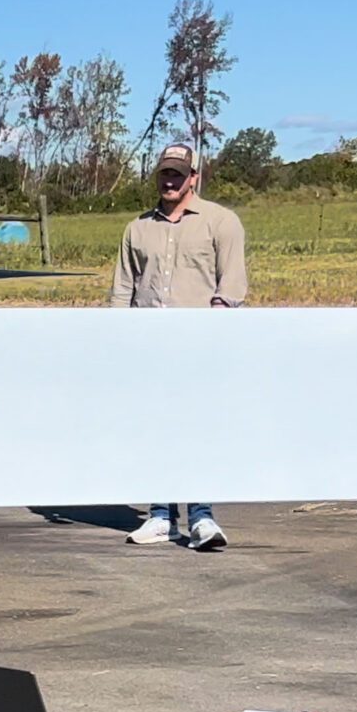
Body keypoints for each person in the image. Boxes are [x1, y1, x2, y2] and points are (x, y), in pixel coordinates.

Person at [115, 143, 246, 551]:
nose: (170, 181)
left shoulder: (221, 222)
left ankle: (202, 516)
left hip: (198, 344)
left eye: (178, 174)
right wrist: (116, 338)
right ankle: (160, 515)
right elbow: (123, 288)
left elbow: (232, 285)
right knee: (155, 426)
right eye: (164, 174)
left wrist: (214, 331)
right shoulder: (137, 228)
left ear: (194, 177)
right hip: (148, 344)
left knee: (198, 427)